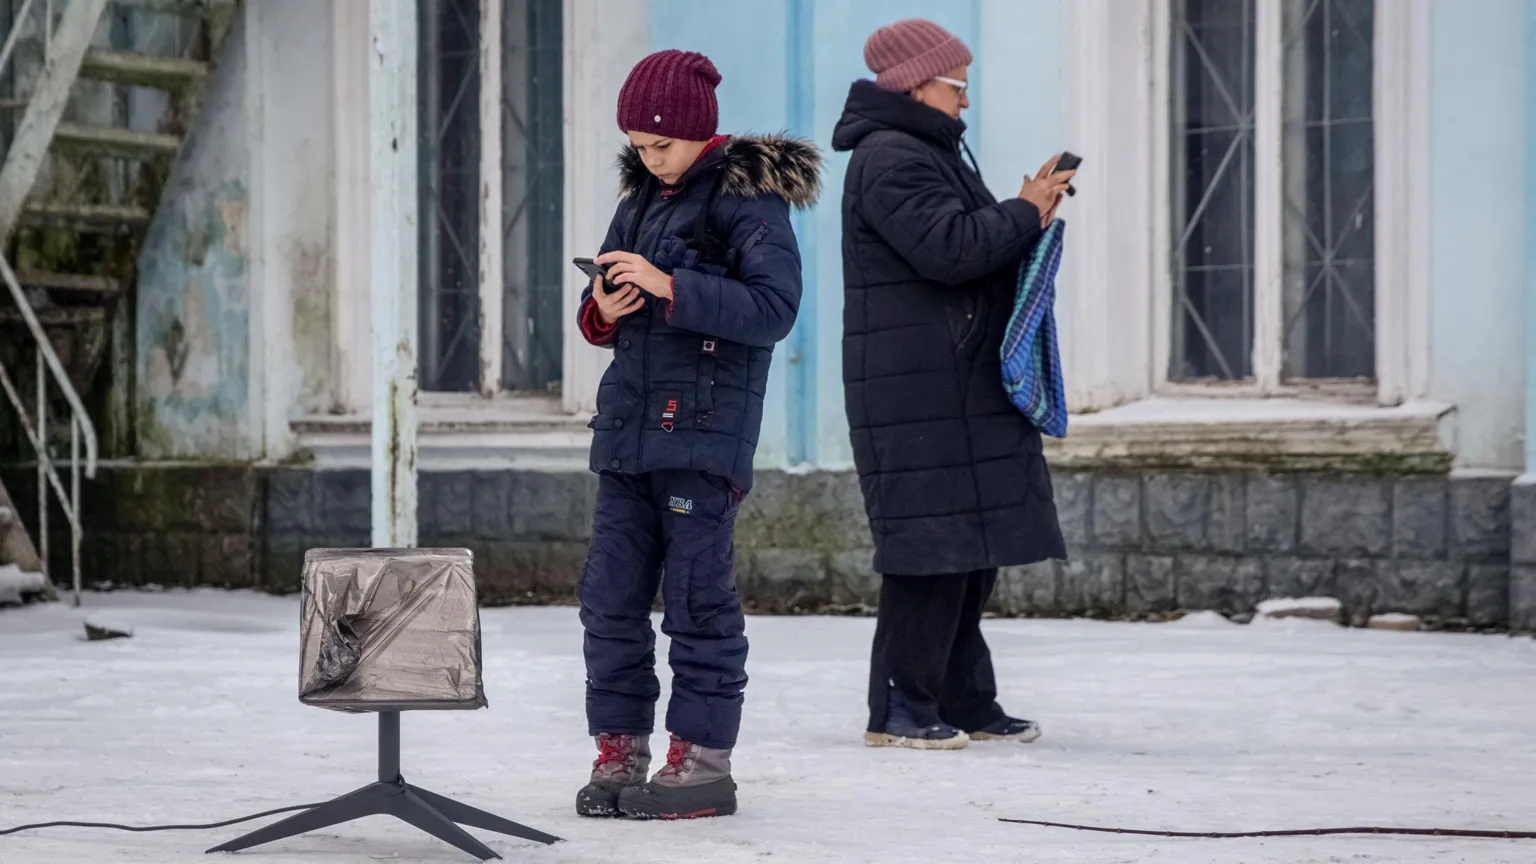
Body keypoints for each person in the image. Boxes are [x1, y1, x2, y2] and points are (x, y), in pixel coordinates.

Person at [572, 49, 821, 818]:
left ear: (699, 132)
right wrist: (604, 307)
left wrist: (669, 285)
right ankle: (620, 750)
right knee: (609, 599)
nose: (651, 159)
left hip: (705, 436)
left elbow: (773, 310)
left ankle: (702, 762)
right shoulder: (641, 199)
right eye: (639, 146)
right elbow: (605, 314)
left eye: (663, 145)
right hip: (629, 435)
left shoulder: (749, 201)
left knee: (696, 601)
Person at [832, 19, 1073, 751]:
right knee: (928, 556)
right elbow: (951, 250)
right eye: (956, 85)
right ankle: (900, 709)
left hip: (952, 382)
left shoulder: (926, 151)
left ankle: (965, 700)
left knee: (970, 553)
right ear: (915, 85)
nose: (965, 100)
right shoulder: (889, 158)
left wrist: (1026, 215)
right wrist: (1023, 210)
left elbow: (967, 249)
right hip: (919, 393)